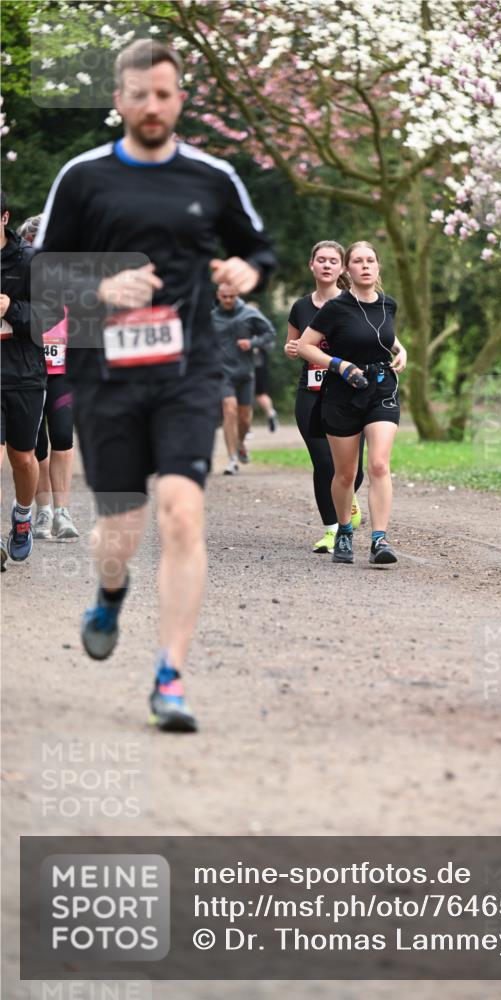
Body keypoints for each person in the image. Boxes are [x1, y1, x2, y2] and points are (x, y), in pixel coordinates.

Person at [33, 39, 276, 731]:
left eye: (163, 94)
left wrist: (246, 272)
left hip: (187, 371)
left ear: (179, 98)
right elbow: (42, 279)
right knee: (120, 530)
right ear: (119, 99)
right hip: (106, 378)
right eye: (138, 94)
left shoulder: (211, 177)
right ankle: (110, 594)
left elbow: (259, 247)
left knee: (180, 511)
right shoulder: (82, 179)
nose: (151, 106)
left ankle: (169, 674)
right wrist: (103, 284)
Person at [297, 241, 407, 565]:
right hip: (342, 392)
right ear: (348, 269)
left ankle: (379, 540)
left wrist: (402, 352)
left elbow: (386, 338)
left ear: (378, 266)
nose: (365, 266)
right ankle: (344, 529)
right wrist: (339, 365)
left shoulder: (389, 305)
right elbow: (305, 346)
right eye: (357, 261)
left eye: (370, 260)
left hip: (381, 389)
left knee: (378, 465)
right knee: (345, 474)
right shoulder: (335, 308)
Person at [285, 241, 364, 554]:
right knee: (323, 463)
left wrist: (401, 350)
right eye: (322, 260)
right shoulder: (300, 307)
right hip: (311, 392)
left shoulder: (355, 303)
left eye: (334, 260)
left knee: (352, 470)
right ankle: (332, 530)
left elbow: (379, 336)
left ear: (342, 267)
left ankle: (348, 496)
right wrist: (291, 349)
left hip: (350, 393)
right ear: (312, 265)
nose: (328, 265)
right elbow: (292, 347)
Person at [17, 215, 79, 541]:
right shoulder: (15, 277)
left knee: (63, 435)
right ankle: (42, 513)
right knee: (35, 443)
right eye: (33, 243)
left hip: (62, 370)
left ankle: (63, 513)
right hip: (26, 368)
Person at [0, 191, 47, 570]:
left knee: (22, 458)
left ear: (4, 218)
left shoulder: (31, 261)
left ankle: (22, 516)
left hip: (23, 372)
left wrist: (11, 309)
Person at [211, 283, 276, 474]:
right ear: (219, 296)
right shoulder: (212, 318)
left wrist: (252, 342)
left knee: (245, 419)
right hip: (223, 373)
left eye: (232, 296)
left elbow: (270, 333)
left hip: (246, 373)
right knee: (229, 410)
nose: (229, 300)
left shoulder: (249, 313)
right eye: (225, 297)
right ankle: (232, 460)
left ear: (237, 294)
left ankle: (240, 443)